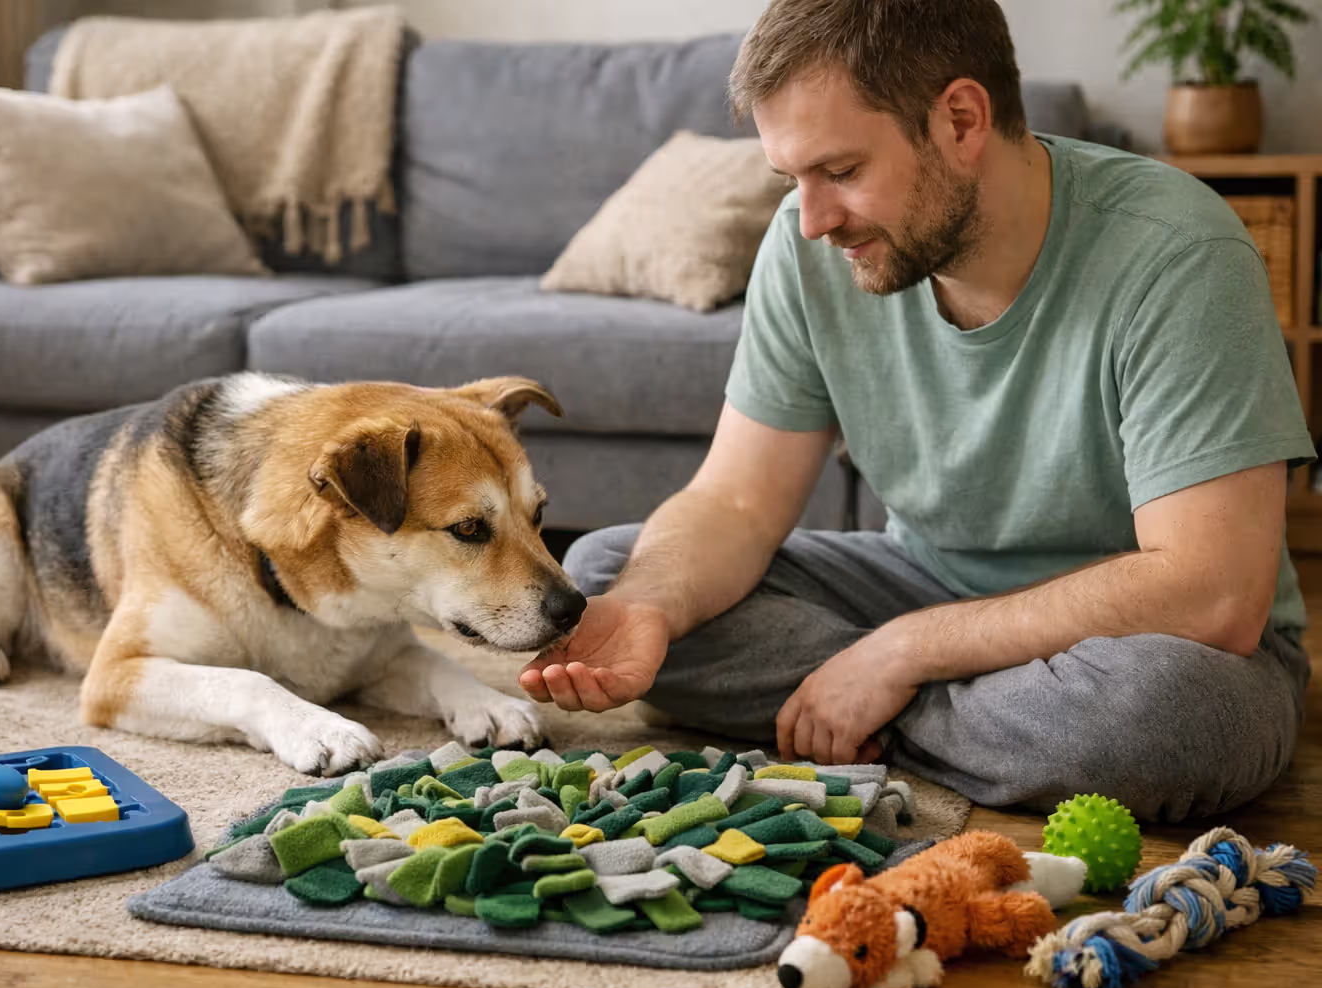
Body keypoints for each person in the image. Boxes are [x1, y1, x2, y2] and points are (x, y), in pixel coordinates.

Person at [518, 0, 1314, 823]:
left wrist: (904, 651)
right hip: (922, 583)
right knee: (616, 573)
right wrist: (652, 608)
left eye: (842, 171)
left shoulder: (1177, 253)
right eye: (792, 180)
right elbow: (736, 502)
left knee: (1164, 717)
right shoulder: (806, 241)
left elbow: (1213, 592)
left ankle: (868, 708)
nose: (813, 220)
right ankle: (940, 719)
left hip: (1154, 642)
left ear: (962, 119)